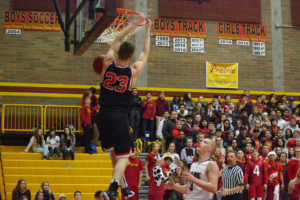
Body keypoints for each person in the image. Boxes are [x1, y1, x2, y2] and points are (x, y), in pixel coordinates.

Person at [96, 13, 151, 200]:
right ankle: (112, 189)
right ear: (131, 56)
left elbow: (117, 38)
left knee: (114, 152)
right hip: (119, 116)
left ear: (117, 52)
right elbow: (146, 54)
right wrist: (148, 30)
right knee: (124, 156)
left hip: (102, 115)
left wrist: (133, 24)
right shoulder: (133, 72)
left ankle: (124, 187)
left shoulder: (107, 63)